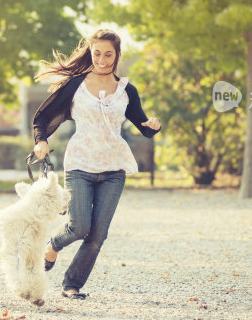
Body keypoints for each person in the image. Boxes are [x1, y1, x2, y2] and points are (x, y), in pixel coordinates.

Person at [31, 29, 161, 300]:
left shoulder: (127, 90)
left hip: (114, 170)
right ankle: (51, 247)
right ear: (91, 53)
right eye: (97, 53)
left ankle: (72, 285)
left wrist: (153, 126)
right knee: (79, 226)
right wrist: (41, 141)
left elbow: (143, 125)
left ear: (117, 55)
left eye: (108, 54)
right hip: (80, 165)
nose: (102, 59)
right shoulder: (75, 85)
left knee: (97, 235)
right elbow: (41, 117)